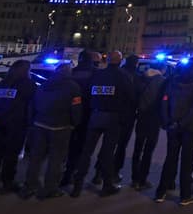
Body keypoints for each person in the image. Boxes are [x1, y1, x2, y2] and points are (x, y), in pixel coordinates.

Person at [71, 51, 134, 197]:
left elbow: (88, 92)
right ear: (120, 61)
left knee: (86, 151)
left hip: (96, 114)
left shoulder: (97, 74)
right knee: (107, 152)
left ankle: (77, 186)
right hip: (113, 117)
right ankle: (107, 184)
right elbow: (130, 97)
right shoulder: (123, 76)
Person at [20, 63, 83, 199]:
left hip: (40, 125)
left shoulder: (44, 85)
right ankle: (51, 188)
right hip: (60, 127)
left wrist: (32, 122)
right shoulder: (73, 87)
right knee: (56, 159)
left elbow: (33, 104)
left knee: (36, 158)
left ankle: (29, 186)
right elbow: (76, 108)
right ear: (69, 73)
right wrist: (75, 124)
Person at [154, 58, 193, 205]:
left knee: (170, 159)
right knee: (187, 162)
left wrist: (167, 120)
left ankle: (161, 192)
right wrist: (182, 123)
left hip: (172, 125)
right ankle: (185, 195)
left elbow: (165, 100)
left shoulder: (173, 81)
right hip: (189, 128)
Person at [0, 60, 37, 194]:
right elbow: (34, 103)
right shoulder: (28, 85)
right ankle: (7, 183)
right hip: (17, 125)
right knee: (11, 156)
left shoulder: (2, 84)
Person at [61, 50, 97, 186]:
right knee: (83, 147)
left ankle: (66, 173)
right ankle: (76, 176)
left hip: (69, 114)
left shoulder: (72, 73)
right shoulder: (95, 73)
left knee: (69, 145)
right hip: (87, 114)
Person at [131, 60, 167, 191]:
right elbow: (164, 101)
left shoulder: (141, 78)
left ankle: (134, 178)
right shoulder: (162, 81)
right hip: (154, 118)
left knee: (137, 148)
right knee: (148, 150)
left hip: (141, 116)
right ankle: (142, 179)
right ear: (162, 69)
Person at [110, 54, 139, 183]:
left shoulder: (118, 73)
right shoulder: (135, 77)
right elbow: (134, 96)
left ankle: (99, 171)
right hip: (127, 115)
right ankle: (114, 172)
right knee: (121, 145)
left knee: (109, 144)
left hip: (113, 113)